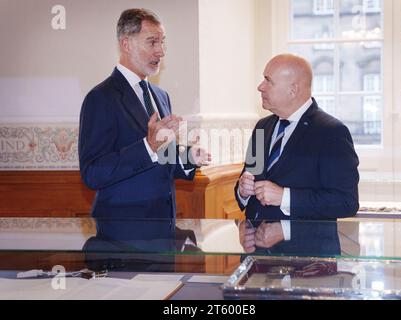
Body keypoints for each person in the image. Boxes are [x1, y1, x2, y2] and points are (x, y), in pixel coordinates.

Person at [78, 8, 210, 240]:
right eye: (152, 42)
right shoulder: (100, 97)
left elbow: (160, 159)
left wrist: (187, 158)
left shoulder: (161, 96)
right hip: (123, 236)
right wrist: (147, 145)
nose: (161, 51)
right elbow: (93, 173)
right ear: (126, 44)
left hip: (164, 230)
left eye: (162, 42)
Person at [235, 54, 359, 253]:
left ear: (292, 90)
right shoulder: (262, 127)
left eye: (268, 81)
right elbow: (248, 177)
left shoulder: (331, 132)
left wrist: (284, 197)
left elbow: (346, 202)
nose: (260, 87)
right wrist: (242, 190)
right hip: (257, 261)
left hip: (309, 265)